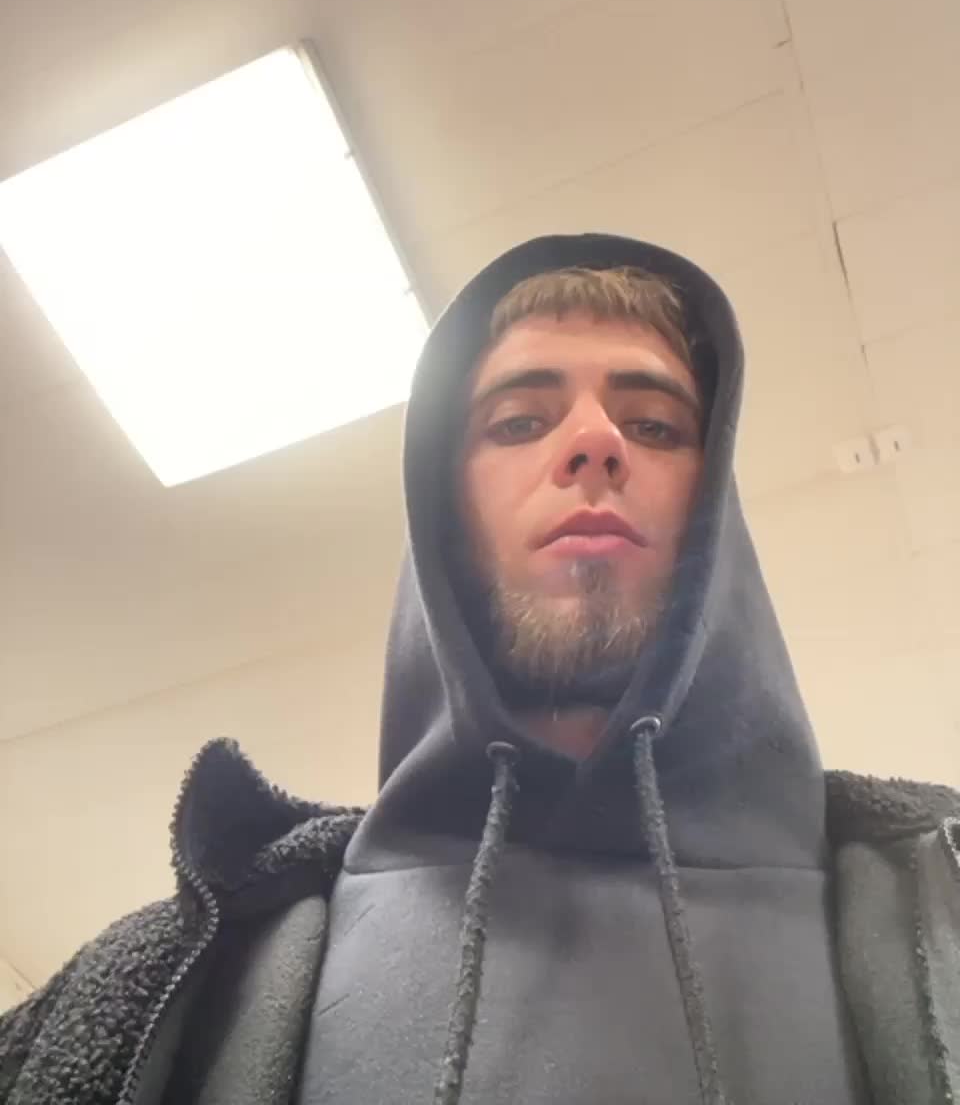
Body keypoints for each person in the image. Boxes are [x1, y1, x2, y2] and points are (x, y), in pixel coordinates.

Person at [2, 233, 958, 1105]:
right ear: (441, 514)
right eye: (518, 421)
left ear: (715, 510)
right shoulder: (193, 974)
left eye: (655, 426)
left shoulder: (935, 898)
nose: (595, 440)